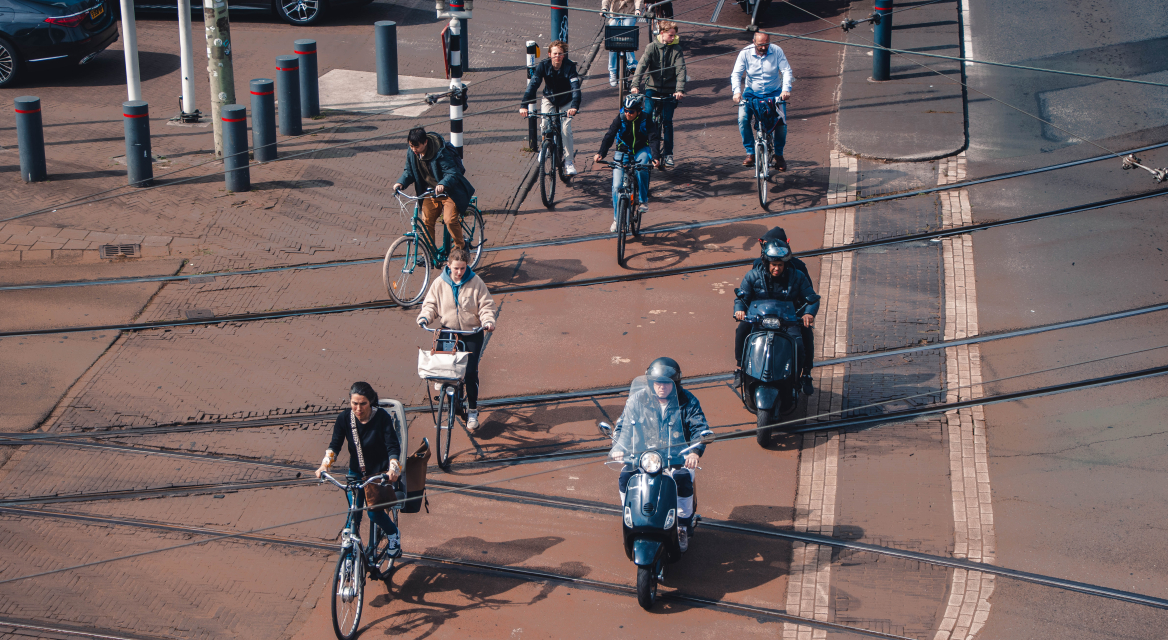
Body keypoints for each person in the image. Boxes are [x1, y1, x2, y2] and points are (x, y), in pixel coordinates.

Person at [610, 358, 709, 552]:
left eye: (666, 383)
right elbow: (623, 426)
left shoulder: (688, 401)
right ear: (650, 383)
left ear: (675, 384)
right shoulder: (637, 400)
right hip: (642, 457)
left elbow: (700, 428)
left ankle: (682, 524)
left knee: (682, 480)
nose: (661, 387)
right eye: (657, 383)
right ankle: (629, 516)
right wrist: (618, 446)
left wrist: (695, 452)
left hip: (676, 459)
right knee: (625, 478)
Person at [316, 382, 403, 562]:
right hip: (356, 472)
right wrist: (325, 465)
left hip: (378, 473)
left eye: (362, 403)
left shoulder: (382, 418)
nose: (358, 408)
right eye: (354, 403)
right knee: (354, 511)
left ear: (370, 402)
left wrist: (393, 468)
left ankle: (394, 535)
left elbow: (392, 446)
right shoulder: (344, 419)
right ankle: (349, 553)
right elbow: (335, 445)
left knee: (373, 513)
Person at [416, 248, 497, 432]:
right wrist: (425, 317)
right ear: (448, 266)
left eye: (462, 268)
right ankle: (447, 388)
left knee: (470, 372)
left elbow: (486, 306)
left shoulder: (476, 282)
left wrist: (488, 321)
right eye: (455, 268)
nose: (459, 272)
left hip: (471, 333)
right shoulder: (439, 283)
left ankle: (473, 410)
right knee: (443, 367)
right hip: (449, 332)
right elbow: (431, 305)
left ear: (466, 266)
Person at [733, 238, 819, 396]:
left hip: (788, 321)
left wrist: (808, 313)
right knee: (741, 331)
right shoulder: (752, 276)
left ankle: (803, 375)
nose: (777, 269)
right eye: (774, 265)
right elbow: (741, 297)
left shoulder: (798, 276)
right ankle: (740, 368)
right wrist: (740, 310)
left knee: (800, 344)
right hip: (759, 320)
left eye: (780, 265)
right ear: (766, 264)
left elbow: (812, 298)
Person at [392, 127, 476, 252]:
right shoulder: (412, 153)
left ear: (425, 142)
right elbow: (409, 171)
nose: (414, 149)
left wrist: (443, 184)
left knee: (449, 220)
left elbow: (452, 173)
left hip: (450, 192)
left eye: (416, 146)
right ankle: (430, 254)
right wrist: (401, 182)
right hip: (430, 192)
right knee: (426, 221)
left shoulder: (440, 152)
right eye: (411, 146)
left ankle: (461, 247)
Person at [594, 93, 661, 233]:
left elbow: (653, 138)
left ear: (638, 111)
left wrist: (655, 157)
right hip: (623, 150)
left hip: (641, 149)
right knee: (616, 185)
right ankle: (617, 219)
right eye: (625, 110)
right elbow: (610, 135)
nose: (627, 113)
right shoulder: (621, 118)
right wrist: (601, 153)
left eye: (631, 111)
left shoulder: (646, 119)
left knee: (641, 168)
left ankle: (643, 200)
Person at [730, 32, 793, 171]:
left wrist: (786, 89)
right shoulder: (745, 53)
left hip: (774, 92)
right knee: (742, 118)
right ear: (754, 42)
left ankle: (779, 155)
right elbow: (736, 73)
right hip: (751, 92)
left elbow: (786, 71)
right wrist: (736, 92)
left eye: (766, 44)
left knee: (781, 123)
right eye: (760, 45)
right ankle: (750, 152)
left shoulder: (777, 51)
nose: (764, 47)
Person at [630, 20, 686, 168]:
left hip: (669, 90)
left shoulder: (677, 50)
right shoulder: (651, 47)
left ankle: (668, 153)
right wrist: (635, 85)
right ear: (662, 33)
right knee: (647, 114)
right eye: (670, 35)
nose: (673, 38)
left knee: (667, 121)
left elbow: (681, 70)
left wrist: (679, 90)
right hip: (652, 88)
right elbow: (641, 65)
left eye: (674, 36)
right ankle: (643, 147)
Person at [521, 40, 582, 176]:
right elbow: (533, 85)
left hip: (566, 101)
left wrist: (574, 106)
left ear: (564, 55)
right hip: (549, 98)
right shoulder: (543, 66)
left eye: (560, 54)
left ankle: (568, 162)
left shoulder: (570, 67)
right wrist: (523, 105)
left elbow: (575, 89)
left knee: (566, 128)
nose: (557, 56)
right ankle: (546, 146)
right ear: (549, 54)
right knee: (544, 123)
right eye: (555, 53)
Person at [602, 0, 642, 88]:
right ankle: (612, 71)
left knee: (628, 32)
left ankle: (631, 63)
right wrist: (604, 9)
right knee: (611, 38)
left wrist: (638, 9)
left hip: (629, 13)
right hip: (615, 15)